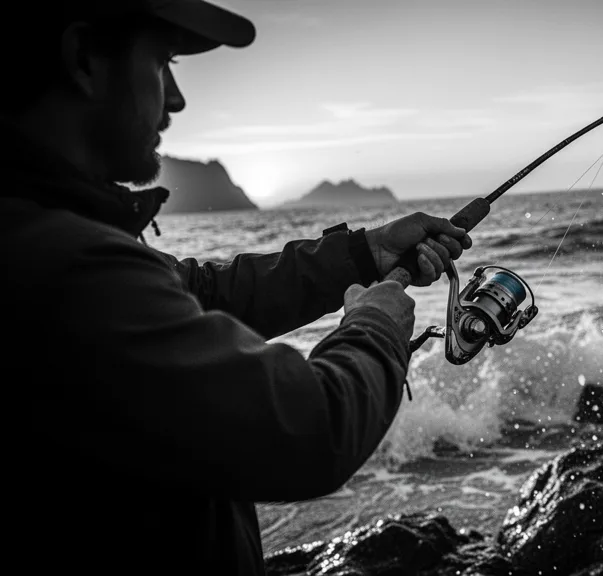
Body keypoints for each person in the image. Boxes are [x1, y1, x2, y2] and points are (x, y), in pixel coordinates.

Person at [0, 1, 471, 574]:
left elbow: (199, 291)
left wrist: (362, 254)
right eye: (162, 62)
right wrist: (378, 326)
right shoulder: (66, 267)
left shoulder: (45, 231)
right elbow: (308, 430)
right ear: (83, 59)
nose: (175, 98)